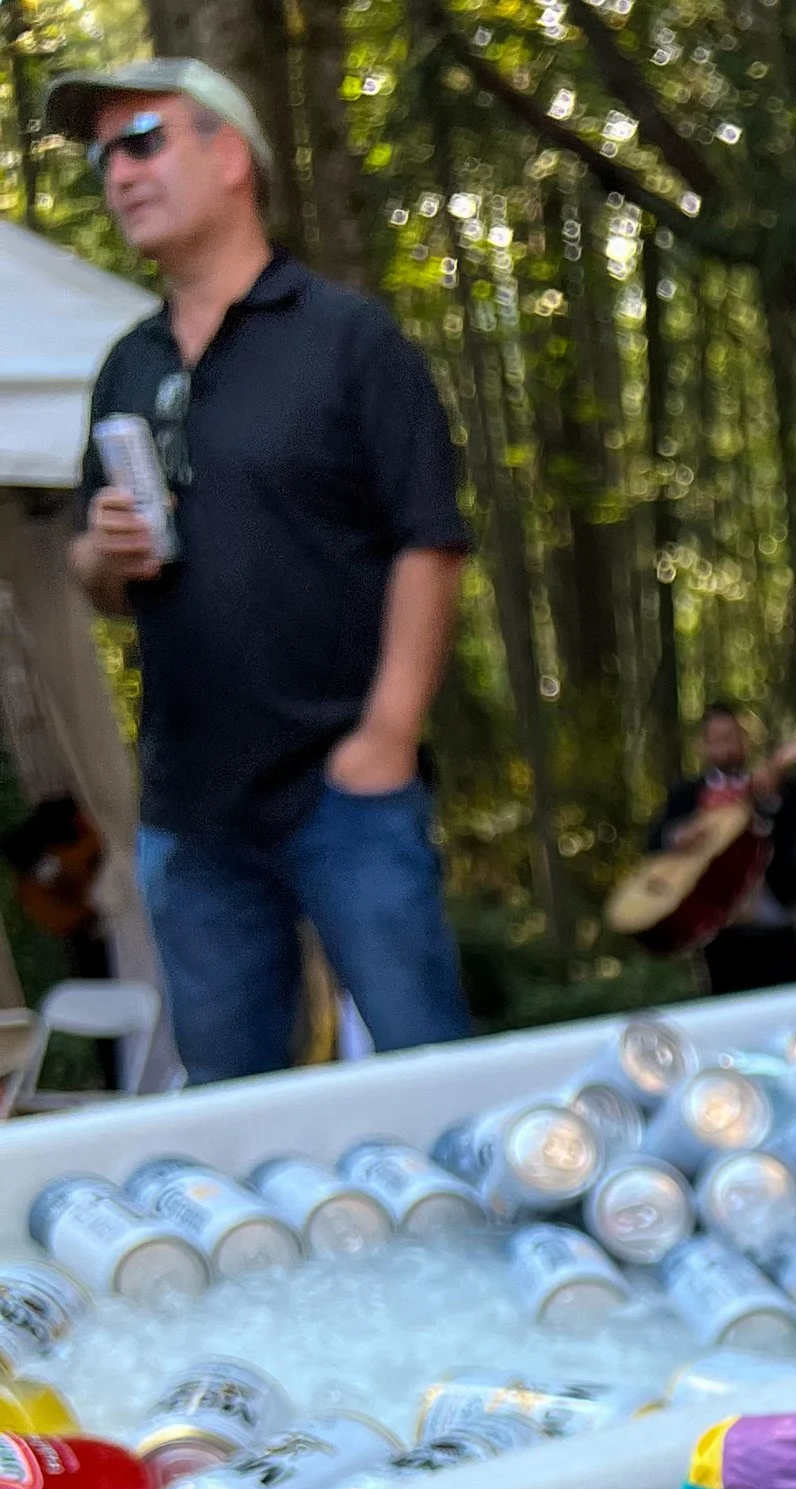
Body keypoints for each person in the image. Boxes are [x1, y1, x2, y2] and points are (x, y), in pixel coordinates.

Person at [49, 58, 471, 1085]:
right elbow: (89, 574)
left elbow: (430, 542)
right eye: (105, 156)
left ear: (229, 153)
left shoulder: (348, 341)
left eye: (142, 139)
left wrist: (386, 740)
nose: (119, 173)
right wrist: (103, 552)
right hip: (191, 812)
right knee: (232, 1116)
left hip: (347, 790)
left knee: (431, 1086)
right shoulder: (129, 365)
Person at [649, 701, 796, 995]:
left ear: (745, 739)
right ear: (704, 745)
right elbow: (656, 848)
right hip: (722, 937)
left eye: (732, 737)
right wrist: (679, 836)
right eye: (716, 739)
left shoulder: (780, 788)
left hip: (777, 929)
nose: (725, 747)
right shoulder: (686, 797)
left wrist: (771, 800)